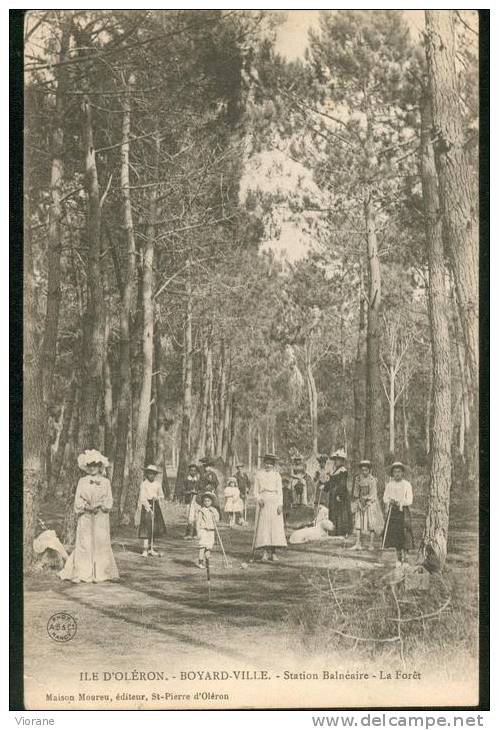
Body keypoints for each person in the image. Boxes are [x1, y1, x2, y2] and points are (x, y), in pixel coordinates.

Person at [59, 450, 119, 583]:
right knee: (85, 543)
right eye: (90, 465)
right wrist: (86, 507)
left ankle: (101, 573)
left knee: (100, 542)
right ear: (87, 467)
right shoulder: (82, 481)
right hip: (86, 516)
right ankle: (83, 572)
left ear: (100, 467)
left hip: (100, 516)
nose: (92, 468)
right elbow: (77, 500)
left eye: (95, 465)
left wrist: (100, 506)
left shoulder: (105, 482)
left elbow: (109, 500)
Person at [253, 453, 287, 562]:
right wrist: (259, 499)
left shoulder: (277, 475)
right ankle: (265, 553)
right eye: (266, 464)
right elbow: (255, 491)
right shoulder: (259, 474)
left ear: (273, 465)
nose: (268, 466)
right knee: (264, 528)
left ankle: (273, 553)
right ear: (264, 464)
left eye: (270, 464)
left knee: (274, 528)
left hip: (274, 501)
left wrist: (280, 504)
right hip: (263, 501)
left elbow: (280, 492)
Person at [382, 462, 414, 567]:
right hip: (393, 512)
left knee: (405, 533)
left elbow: (410, 500)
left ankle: (406, 557)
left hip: (403, 511)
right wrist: (390, 501)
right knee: (395, 534)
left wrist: (401, 502)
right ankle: (398, 558)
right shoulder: (390, 484)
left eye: (399, 472)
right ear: (392, 473)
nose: (397, 474)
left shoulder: (407, 484)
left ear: (403, 473)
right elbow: (385, 497)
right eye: (395, 472)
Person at [350, 460, 384, 550]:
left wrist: (367, 502)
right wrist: (359, 501)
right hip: (360, 501)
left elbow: (373, 494)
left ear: (369, 470)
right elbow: (356, 492)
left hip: (370, 502)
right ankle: (358, 543)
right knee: (358, 522)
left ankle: (371, 544)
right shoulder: (358, 479)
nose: (364, 472)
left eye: (366, 470)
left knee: (371, 523)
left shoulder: (372, 480)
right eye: (363, 470)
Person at [137, 465, 166, 556]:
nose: (151, 476)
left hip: (155, 504)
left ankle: (151, 547)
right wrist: (148, 508)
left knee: (154, 526)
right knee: (146, 526)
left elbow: (162, 495)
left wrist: (157, 497)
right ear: (146, 474)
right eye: (150, 474)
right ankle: (145, 549)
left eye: (153, 474)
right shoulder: (144, 484)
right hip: (146, 506)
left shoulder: (157, 484)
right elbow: (142, 497)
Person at [325, 449, 352, 539]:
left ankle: (342, 531)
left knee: (341, 512)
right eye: (335, 459)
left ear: (342, 461)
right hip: (333, 494)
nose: (336, 461)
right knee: (333, 511)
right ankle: (334, 530)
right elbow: (330, 482)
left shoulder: (343, 471)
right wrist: (325, 486)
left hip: (340, 494)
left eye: (338, 459)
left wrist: (339, 495)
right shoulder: (334, 471)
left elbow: (342, 484)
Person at [195, 492, 220, 569]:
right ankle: (200, 562)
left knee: (209, 547)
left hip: (211, 530)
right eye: (205, 501)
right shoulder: (201, 510)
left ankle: (207, 563)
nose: (207, 502)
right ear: (203, 502)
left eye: (208, 501)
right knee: (202, 546)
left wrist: (215, 515)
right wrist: (198, 531)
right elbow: (198, 522)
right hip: (204, 530)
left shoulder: (214, 510)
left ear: (211, 502)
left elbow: (217, 520)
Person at [183, 463, 201, 540]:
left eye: (194, 470)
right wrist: (190, 492)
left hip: (196, 500)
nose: (193, 472)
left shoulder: (198, 480)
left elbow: (201, 489)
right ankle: (188, 534)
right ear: (189, 471)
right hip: (189, 500)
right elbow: (183, 490)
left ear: (196, 471)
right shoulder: (186, 480)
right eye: (191, 470)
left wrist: (197, 492)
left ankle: (195, 533)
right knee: (189, 517)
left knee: (196, 516)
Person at [313, 453, 330, 520]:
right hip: (319, 486)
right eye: (321, 463)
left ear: (325, 463)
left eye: (323, 463)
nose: (322, 464)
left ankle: (326, 516)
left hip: (326, 486)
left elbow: (329, 478)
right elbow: (315, 479)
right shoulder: (318, 471)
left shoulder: (327, 470)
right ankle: (317, 516)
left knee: (326, 499)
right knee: (318, 500)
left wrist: (327, 482)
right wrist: (317, 477)